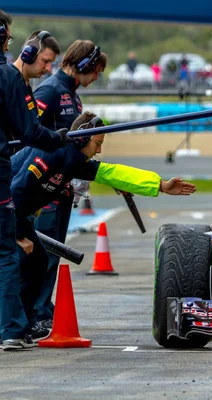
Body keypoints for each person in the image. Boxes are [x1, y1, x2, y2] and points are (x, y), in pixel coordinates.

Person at [9, 111, 197, 348]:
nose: (99, 151)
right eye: (97, 144)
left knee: (35, 263)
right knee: (17, 265)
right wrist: (18, 234)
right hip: (8, 211)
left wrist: (160, 185)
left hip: (14, 213)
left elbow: (113, 172)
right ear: (81, 139)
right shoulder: (52, 153)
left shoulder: (73, 159)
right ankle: (13, 329)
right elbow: (14, 192)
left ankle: (21, 325)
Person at [0, 18, 73, 350]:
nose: (46, 69)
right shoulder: (11, 78)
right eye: (44, 61)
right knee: (9, 255)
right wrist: (58, 139)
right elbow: (29, 132)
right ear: (28, 52)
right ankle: (13, 329)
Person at [32, 40, 108, 331]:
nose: (97, 77)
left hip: (63, 186)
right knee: (43, 253)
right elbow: (27, 135)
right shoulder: (50, 90)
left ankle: (41, 309)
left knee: (53, 253)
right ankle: (35, 313)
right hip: (43, 187)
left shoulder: (73, 96)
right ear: (84, 65)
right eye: (96, 70)